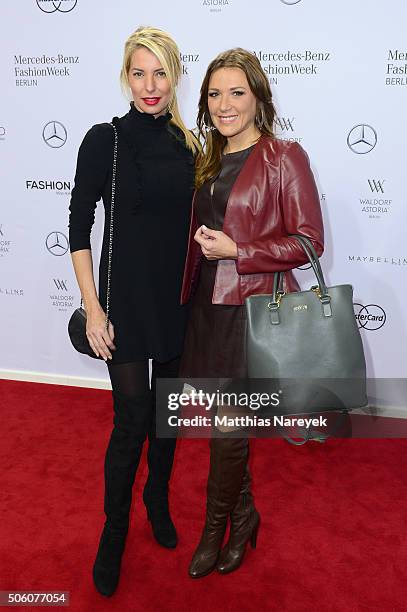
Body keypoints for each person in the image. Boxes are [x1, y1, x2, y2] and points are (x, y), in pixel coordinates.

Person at [180, 48, 324, 577]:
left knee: (229, 429)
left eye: (236, 92)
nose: (224, 104)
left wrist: (238, 252)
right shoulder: (208, 159)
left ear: (259, 98)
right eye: (215, 93)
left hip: (252, 311)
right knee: (224, 425)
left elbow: (309, 242)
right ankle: (243, 516)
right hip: (207, 310)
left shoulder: (284, 157)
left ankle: (215, 527)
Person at [68, 26, 199, 597]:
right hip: (122, 302)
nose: (151, 86)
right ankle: (114, 529)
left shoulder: (188, 144)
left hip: (176, 303)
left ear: (175, 77)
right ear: (126, 76)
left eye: (161, 73)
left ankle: (157, 500)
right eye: (139, 73)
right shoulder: (107, 139)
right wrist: (92, 309)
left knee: (167, 417)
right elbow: (78, 228)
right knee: (130, 421)